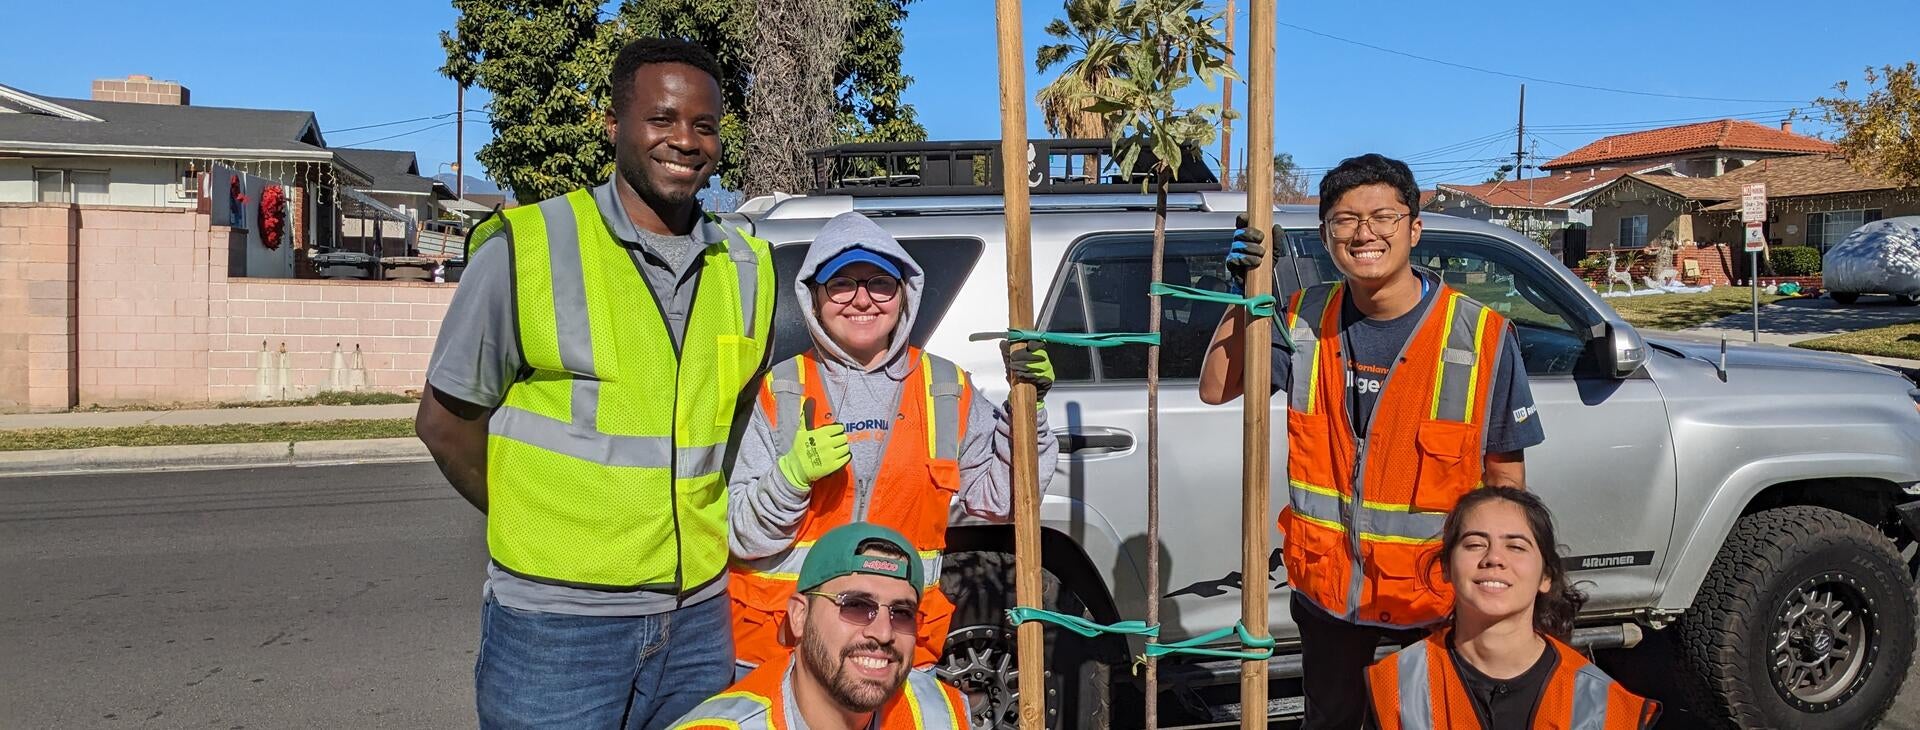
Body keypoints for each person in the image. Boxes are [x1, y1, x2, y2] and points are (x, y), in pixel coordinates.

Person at [414, 38, 775, 729]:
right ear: (614, 126)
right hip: (556, 628)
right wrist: (535, 524)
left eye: (704, 125)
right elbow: (444, 423)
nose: (685, 140)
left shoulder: (748, 266)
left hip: (698, 619)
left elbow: (732, 431)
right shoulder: (528, 246)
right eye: (661, 119)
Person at [1198, 153, 1545, 730]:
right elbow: (1216, 387)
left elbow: (1506, 480)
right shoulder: (1302, 319)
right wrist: (1242, 294)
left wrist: (1501, 592)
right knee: (1330, 721)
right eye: (1345, 220)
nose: (1364, 233)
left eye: (1383, 217)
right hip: (1329, 593)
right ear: (1325, 235)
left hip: (1436, 597)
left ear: (1414, 228)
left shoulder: (1479, 335)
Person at [726, 211, 1060, 673]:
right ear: (814, 297)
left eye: (880, 284)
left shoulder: (945, 388)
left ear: (904, 294)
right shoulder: (779, 390)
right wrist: (791, 478)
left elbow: (1005, 499)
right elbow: (743, 536)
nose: (862, 299)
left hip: (892, 648)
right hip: (787, 652)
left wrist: (1028, 411)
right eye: (841, 284)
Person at [1365, 487, 1659, 729]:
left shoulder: (1603, 707)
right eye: (1474, 544)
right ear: (1446, 567)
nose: (1494, 558)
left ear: (1546, 576)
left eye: (1516, 547)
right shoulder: (1395, 685)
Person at [671, 523, 970, 730]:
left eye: (901, 613)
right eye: (856, 605)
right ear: (799, 616)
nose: (883, 633)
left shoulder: (944, 712)